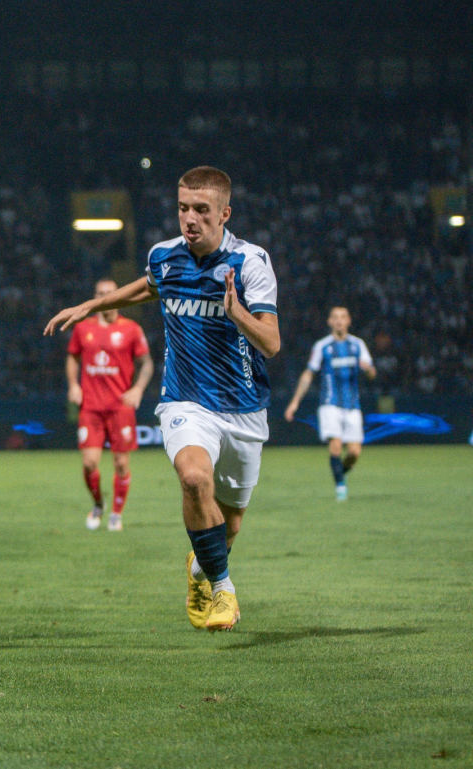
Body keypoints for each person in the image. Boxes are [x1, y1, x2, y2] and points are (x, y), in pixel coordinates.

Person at [45, 166, 280, 632]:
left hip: (244, 409)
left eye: (201, 210)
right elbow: (150, 286)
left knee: (228, 527)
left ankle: (200, 569)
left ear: (225, 213)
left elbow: (271, 343)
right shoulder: (165, 256)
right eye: (182, 208)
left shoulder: (250, 263)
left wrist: (236, 313)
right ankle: (225, 591)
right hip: (185, 402)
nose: (189, 218)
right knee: (194, 479)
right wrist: (90, 306)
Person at [65, 278, 153, 532]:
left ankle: (116, 513)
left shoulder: (131, 329)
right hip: (91, 406)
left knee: (122, 464)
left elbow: (146, 363)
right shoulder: (84, 328)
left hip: (119, 407)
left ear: (118, 296)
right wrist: (73, 384)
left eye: (110, 293)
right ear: (96, 296)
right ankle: (98, 504)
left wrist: (137, 389)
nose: (106, 297)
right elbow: (72, 357)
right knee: (90, 463)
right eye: (101, 293)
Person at [284, 306, 376, 501]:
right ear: (330, 322)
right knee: (335, 445)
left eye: (343, 317)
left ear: (349, 320)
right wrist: (294, 402)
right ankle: (340, 486)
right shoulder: (322, 346)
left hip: (352, 406)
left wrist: (368, 370)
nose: (339, 321)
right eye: (335, 317)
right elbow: (309, 373)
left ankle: (339, 473)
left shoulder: (358, 345)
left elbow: (372, 373)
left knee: (354, 452)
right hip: (329, 404)